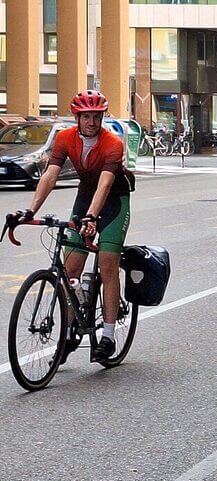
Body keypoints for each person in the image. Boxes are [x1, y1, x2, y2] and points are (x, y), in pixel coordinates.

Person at [11, 90, 133, 362]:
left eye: (97, 117)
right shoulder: (65, 138)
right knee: (70, 270)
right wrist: (31, 210)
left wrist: (91, 218)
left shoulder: (112, 143)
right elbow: (50, 175)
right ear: (77, 118)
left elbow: (105, 184)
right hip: (85, 197)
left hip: (114, 201)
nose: (92, 122)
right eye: (86, 117)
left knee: (107, 262)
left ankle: (109, 335)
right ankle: (68, 333)